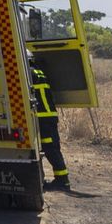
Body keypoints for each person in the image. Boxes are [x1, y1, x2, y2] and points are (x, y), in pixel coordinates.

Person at [30, 56, 70, 190]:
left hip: (43, 117)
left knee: (50, 148)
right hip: (48, 116)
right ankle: (61, 179)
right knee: (52, 147)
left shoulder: (29, 72)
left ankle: (62, 181)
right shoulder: (38, 71)